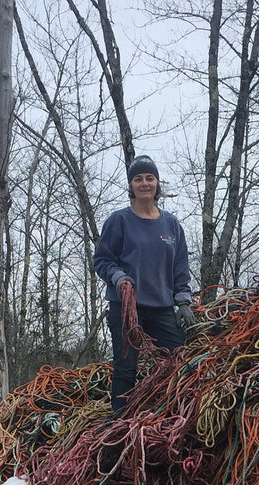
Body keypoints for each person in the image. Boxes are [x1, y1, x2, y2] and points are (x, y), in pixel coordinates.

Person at [92, 154, 194, 414]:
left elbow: (180, 268)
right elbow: (102, 260)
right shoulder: (119, 221)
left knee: (179, 361)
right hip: (127, 310)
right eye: (138, 179)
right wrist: (118, 278)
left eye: (150, 178)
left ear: (157, 184)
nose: (144, 183)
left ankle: (171, 415)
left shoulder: (171, 224)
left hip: (161, 309)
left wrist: (183, 302)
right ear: (131, 185)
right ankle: (118, 424)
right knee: (126, 368)